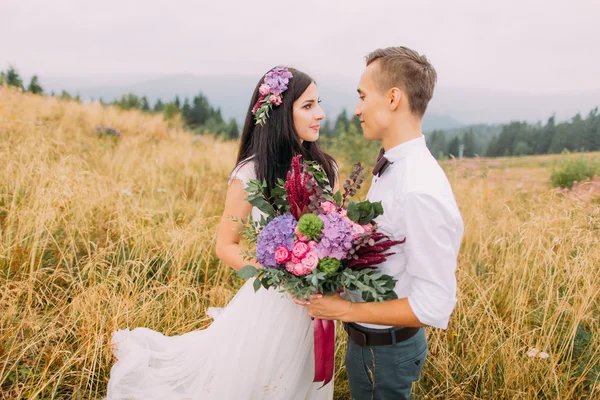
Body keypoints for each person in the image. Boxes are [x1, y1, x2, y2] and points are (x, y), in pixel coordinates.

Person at [105, 66, 338, 399]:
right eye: (308, 105)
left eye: (318, 104)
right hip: (273, 304)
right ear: (282, 113)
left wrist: (330, 271)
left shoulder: (328, 168)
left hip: (317, 305)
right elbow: (226, 245)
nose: (321, 114)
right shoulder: (253, 170)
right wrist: (284, 272)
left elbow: (335, 232)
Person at [295, 46, 464, 399]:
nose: (356, 109)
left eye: (362, 96)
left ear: (392, 98)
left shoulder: (419, 189)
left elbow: (433, 304)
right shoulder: (394, 165)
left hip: (385, 353)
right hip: (371, 344)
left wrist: (347, 309)